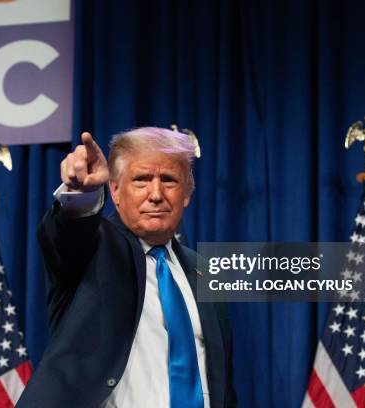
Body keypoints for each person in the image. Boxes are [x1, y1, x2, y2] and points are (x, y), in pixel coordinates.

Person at [17, 127, 236, 407]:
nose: (155, 194)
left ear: (187, 194)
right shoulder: (94, 248)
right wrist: (82, 194)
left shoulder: (204, 271)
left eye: (168, 180)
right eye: (142, 180)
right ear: (116, 191)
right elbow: (66, 235)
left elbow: (222, 384)